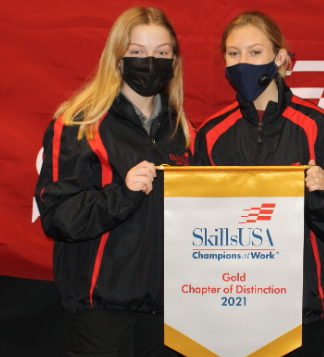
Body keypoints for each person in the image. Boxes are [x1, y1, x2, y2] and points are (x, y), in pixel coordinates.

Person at [195, 11, 324, 357]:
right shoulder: (210, 134)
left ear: (280, 57)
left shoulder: (317, 125)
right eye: (234, 53)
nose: (243, 62)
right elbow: (196, 222)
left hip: (301, 307)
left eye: (255, 52)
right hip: (232, 302)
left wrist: (321, 193)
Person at [35, 7, 193, 357]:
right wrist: (123, 193)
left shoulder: (182, 130)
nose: (150, 62)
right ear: (118, 57)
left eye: (161, 53)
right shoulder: (80, 122)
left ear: (174, 60)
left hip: (168, 306)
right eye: (137, 52)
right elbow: (57, 214)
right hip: (101, 306)